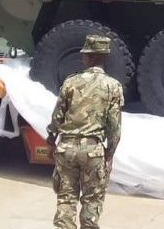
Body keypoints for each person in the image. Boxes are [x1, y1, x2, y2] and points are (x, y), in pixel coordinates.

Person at [46, 35, 124, 229]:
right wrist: (109, 154)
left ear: (87, 57)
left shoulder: (71, 82)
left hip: (66, 148)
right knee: (92, 201)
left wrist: (51, 138)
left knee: (66, 197)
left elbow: (57, 116)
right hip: (93, 150)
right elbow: (114, 126)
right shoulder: (113, 86)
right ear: (104, 57)